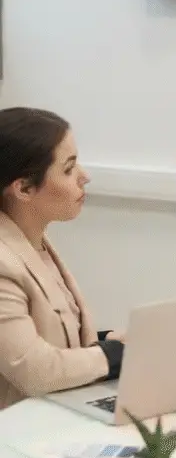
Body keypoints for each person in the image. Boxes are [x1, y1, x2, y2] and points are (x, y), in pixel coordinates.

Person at [0, 107, 124, 410]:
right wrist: (114, 354)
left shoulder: (35, 243)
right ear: (24, 188)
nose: (85, 176)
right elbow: (33, 368)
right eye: (68, 169)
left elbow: (47, 336)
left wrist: (108, 340)